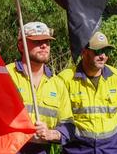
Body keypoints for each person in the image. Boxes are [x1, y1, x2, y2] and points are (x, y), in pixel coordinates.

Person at [5, 21, 73, 153]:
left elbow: (69, 125)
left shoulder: (57, 84)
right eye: (37, 42)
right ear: (21, 45)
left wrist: (52, 134)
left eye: (47, 42)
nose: (44, 46)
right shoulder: (5, 75)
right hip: (9, 149)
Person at [59, 30, 117, 153]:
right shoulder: (65, 78)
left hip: (110, 148)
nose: (103, 56)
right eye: (97, 51)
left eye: (106, 51)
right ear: (84, 52)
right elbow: (60, 117)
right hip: (77, 148)